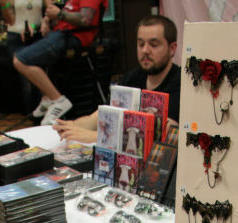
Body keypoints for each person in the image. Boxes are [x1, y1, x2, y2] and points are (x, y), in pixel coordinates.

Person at [54, 14, 181, 144]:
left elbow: (161, 133)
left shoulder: (182, 84)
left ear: (172, 48)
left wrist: (94, 136)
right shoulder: (132, 78)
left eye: (153, 45)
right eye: (141, 44)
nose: (145, 50)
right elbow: (96, 118)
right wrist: (70, 126)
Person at [13, 0, 104, 125]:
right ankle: (47, 97)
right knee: (19, 54)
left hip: (73, 37)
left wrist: (60, 14)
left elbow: (85, 19)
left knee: (20, 60)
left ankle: (58, 100)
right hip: (62, 33)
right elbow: (64, 19)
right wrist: (47, 20)